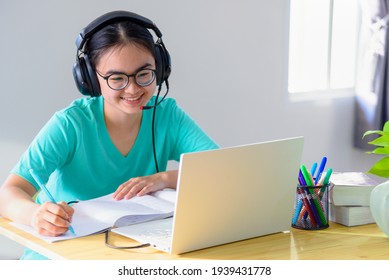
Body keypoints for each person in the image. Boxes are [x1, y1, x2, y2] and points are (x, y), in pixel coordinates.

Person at [0, 11, 218, 260]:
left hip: (127, 255)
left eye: (144, 74)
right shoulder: (70, 124)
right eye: (117, 78)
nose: (133, 88)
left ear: (160, 68)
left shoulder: (167, 114)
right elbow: (9, 193)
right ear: (91, 79)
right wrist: (35, 215)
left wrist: (164, 178)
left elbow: (221, 170)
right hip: (61, 258)